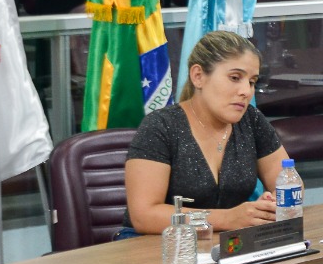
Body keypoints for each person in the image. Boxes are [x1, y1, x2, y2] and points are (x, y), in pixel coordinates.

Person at [121, 30, 286, 237]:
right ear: (198, 76)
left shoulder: (251, 120)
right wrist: (227, 219)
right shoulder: (160, 126)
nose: (246, 91)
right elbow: (144, 216)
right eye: (235, 78)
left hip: (224, 242)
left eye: (252, 82)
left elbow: (288, 183)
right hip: (155, 244)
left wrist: (272, 205)